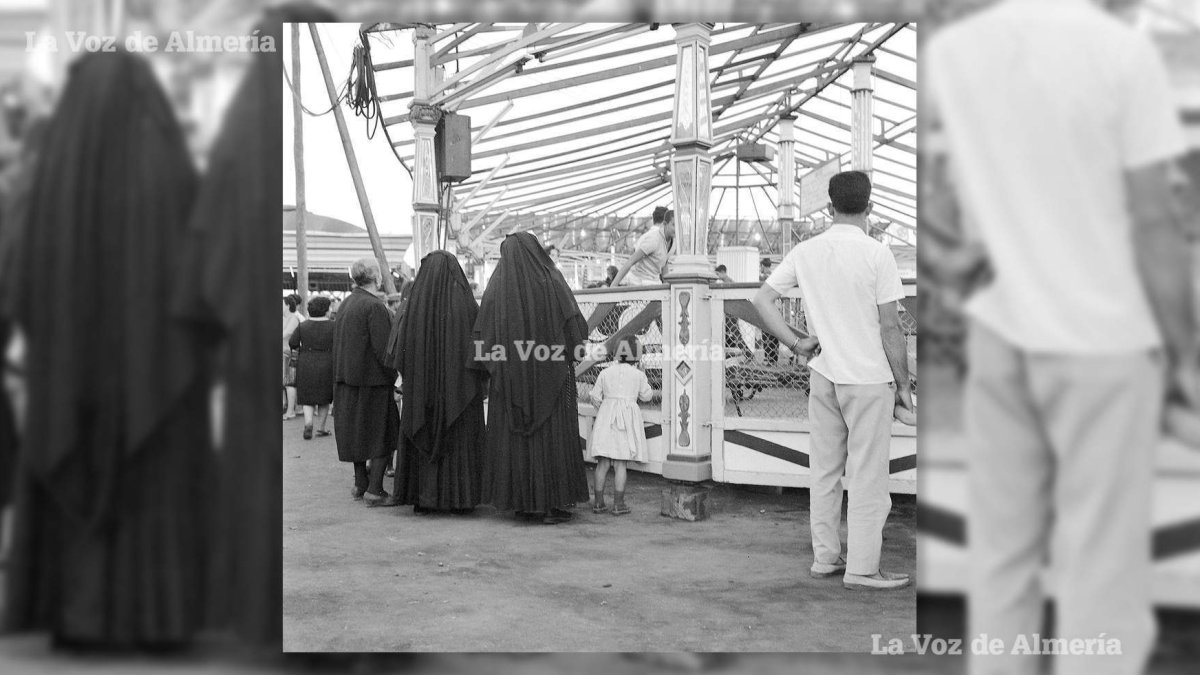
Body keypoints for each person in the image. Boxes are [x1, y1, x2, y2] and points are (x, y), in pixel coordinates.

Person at [927, 2, 1199, 672]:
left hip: (999, 334)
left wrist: (956, 264)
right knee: (1099, 569)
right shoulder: (1121, 52)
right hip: (1103, 340)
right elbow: (1154, 220)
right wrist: (1187, 353)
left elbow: (943, 203)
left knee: (1000, 559)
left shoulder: (954, 51)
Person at [2, 50, 213, 648]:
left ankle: (83, 617)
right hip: (160, 379)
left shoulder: (48, 183)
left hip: (69, 373)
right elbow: (205, 287)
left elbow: (15, 283)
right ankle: (160, 617)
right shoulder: (172, 175)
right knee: (155, 484)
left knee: (77, 468)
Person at [753, 170, 912, 591]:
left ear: (829, 206)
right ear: (870, 206)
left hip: (824, 375)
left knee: (824, 471)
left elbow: (761, 300)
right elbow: (890, 328)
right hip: (868, 379)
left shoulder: (807, 251)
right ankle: (862, 568)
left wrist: (796, 342)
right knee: (867, 477)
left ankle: (826, 558)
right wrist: (905, 387)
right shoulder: (877, 253)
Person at [472, 232, 590, 524]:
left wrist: (501, 368)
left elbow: (481, 340)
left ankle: (522, 504)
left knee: (515, 441)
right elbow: (576, 329)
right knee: (552, 439)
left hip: (509, 384)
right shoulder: (553, 280)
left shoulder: (496, 287)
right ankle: (551, 505)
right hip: (552, 381)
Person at [387, 251, 486, 514]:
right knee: (459, 441)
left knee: (423, 433)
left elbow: (397, 352)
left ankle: (424, 498)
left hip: (421, 392)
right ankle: (460, 500)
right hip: (461, 393)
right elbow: (481, 350)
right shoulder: (467, 306)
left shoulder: (413, 306)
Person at [333, 257, 400, 506]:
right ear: (376, 277)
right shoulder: (375, 307)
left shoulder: (346, 304)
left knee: (357, 434)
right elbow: (385, 350)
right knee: (383, 434)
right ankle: (375, 489)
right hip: (373, 383)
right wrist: (396, 377)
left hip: (346, 379)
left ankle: (361, 483)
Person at [587, 336, 653, 515]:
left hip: (606, 417)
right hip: (626, 421)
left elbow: (594, 396)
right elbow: (647, 396)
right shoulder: (637, 374)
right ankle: (618, 504)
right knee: (620, 464)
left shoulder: (605, 373)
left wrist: (604, 408)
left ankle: (598, 502)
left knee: (602, 463)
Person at [290, 295, 335, 440]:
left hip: (306, 362)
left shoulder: (303, 326)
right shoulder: (333, 326)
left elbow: (293, 343)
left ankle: (308, 423)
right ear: (326, 310)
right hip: (327, 362)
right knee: (324, 397)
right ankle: (321, 428)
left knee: (308, 396)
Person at [610, 205, 675, 286]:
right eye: (673, 225)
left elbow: (664, 264)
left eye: (678, 226)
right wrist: (613, 285)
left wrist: (668, 286)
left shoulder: (672, 241)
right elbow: (631, 261)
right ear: (665, 223)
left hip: (655, 281)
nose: (676, 229)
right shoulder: (653, 239)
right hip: (639, 283)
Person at [282, 293, 301, 419]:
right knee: (285, 382)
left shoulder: (293, 318)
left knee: (289, 382)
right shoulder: (284, 318)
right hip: (284, 353)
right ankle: (287, 408)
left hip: (289, 354)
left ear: (288, 305)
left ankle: (291, 411)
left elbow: (288, 332)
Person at [758, 258, 780, 364]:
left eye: (761, 266)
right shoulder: (775, 275)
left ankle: (769, 358)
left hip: (767, 307)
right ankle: (773, 358)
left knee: (767, 333)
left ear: (763, 265)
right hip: (775, 307)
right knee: (774, 333)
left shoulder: (764, 278)